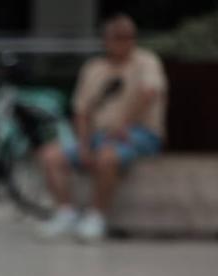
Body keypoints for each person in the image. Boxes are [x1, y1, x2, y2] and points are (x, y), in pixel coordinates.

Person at [37, 14, 167, 243]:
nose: (124, 41)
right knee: (50, 156)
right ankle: (66, 213)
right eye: (117, 36)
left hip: (140, 134)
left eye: (128, 36)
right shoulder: (94, 67)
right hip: (98, 135)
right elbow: (81, 111)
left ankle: (97, 216)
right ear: (106, 40)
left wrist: (125, 124)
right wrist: (84, 144)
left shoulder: (146, 60)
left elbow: (150, 93)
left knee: (107, 155)